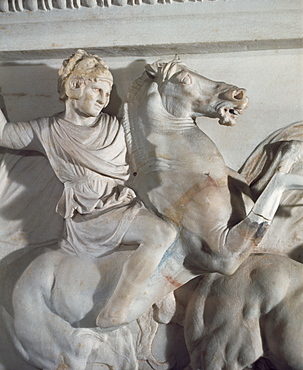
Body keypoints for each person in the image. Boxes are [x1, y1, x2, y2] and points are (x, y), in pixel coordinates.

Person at [0, 49, 177, 328]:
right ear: (74, 87)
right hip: (91, 214)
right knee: (162, 233)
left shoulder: (114, 127)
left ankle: (158, 283)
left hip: (122, 202)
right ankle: (115, 311)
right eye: (98, 90)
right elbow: (3, 133)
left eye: (107, 93)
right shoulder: (48, 130)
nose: (104, 99)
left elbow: (149, 122)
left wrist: (161, 83)